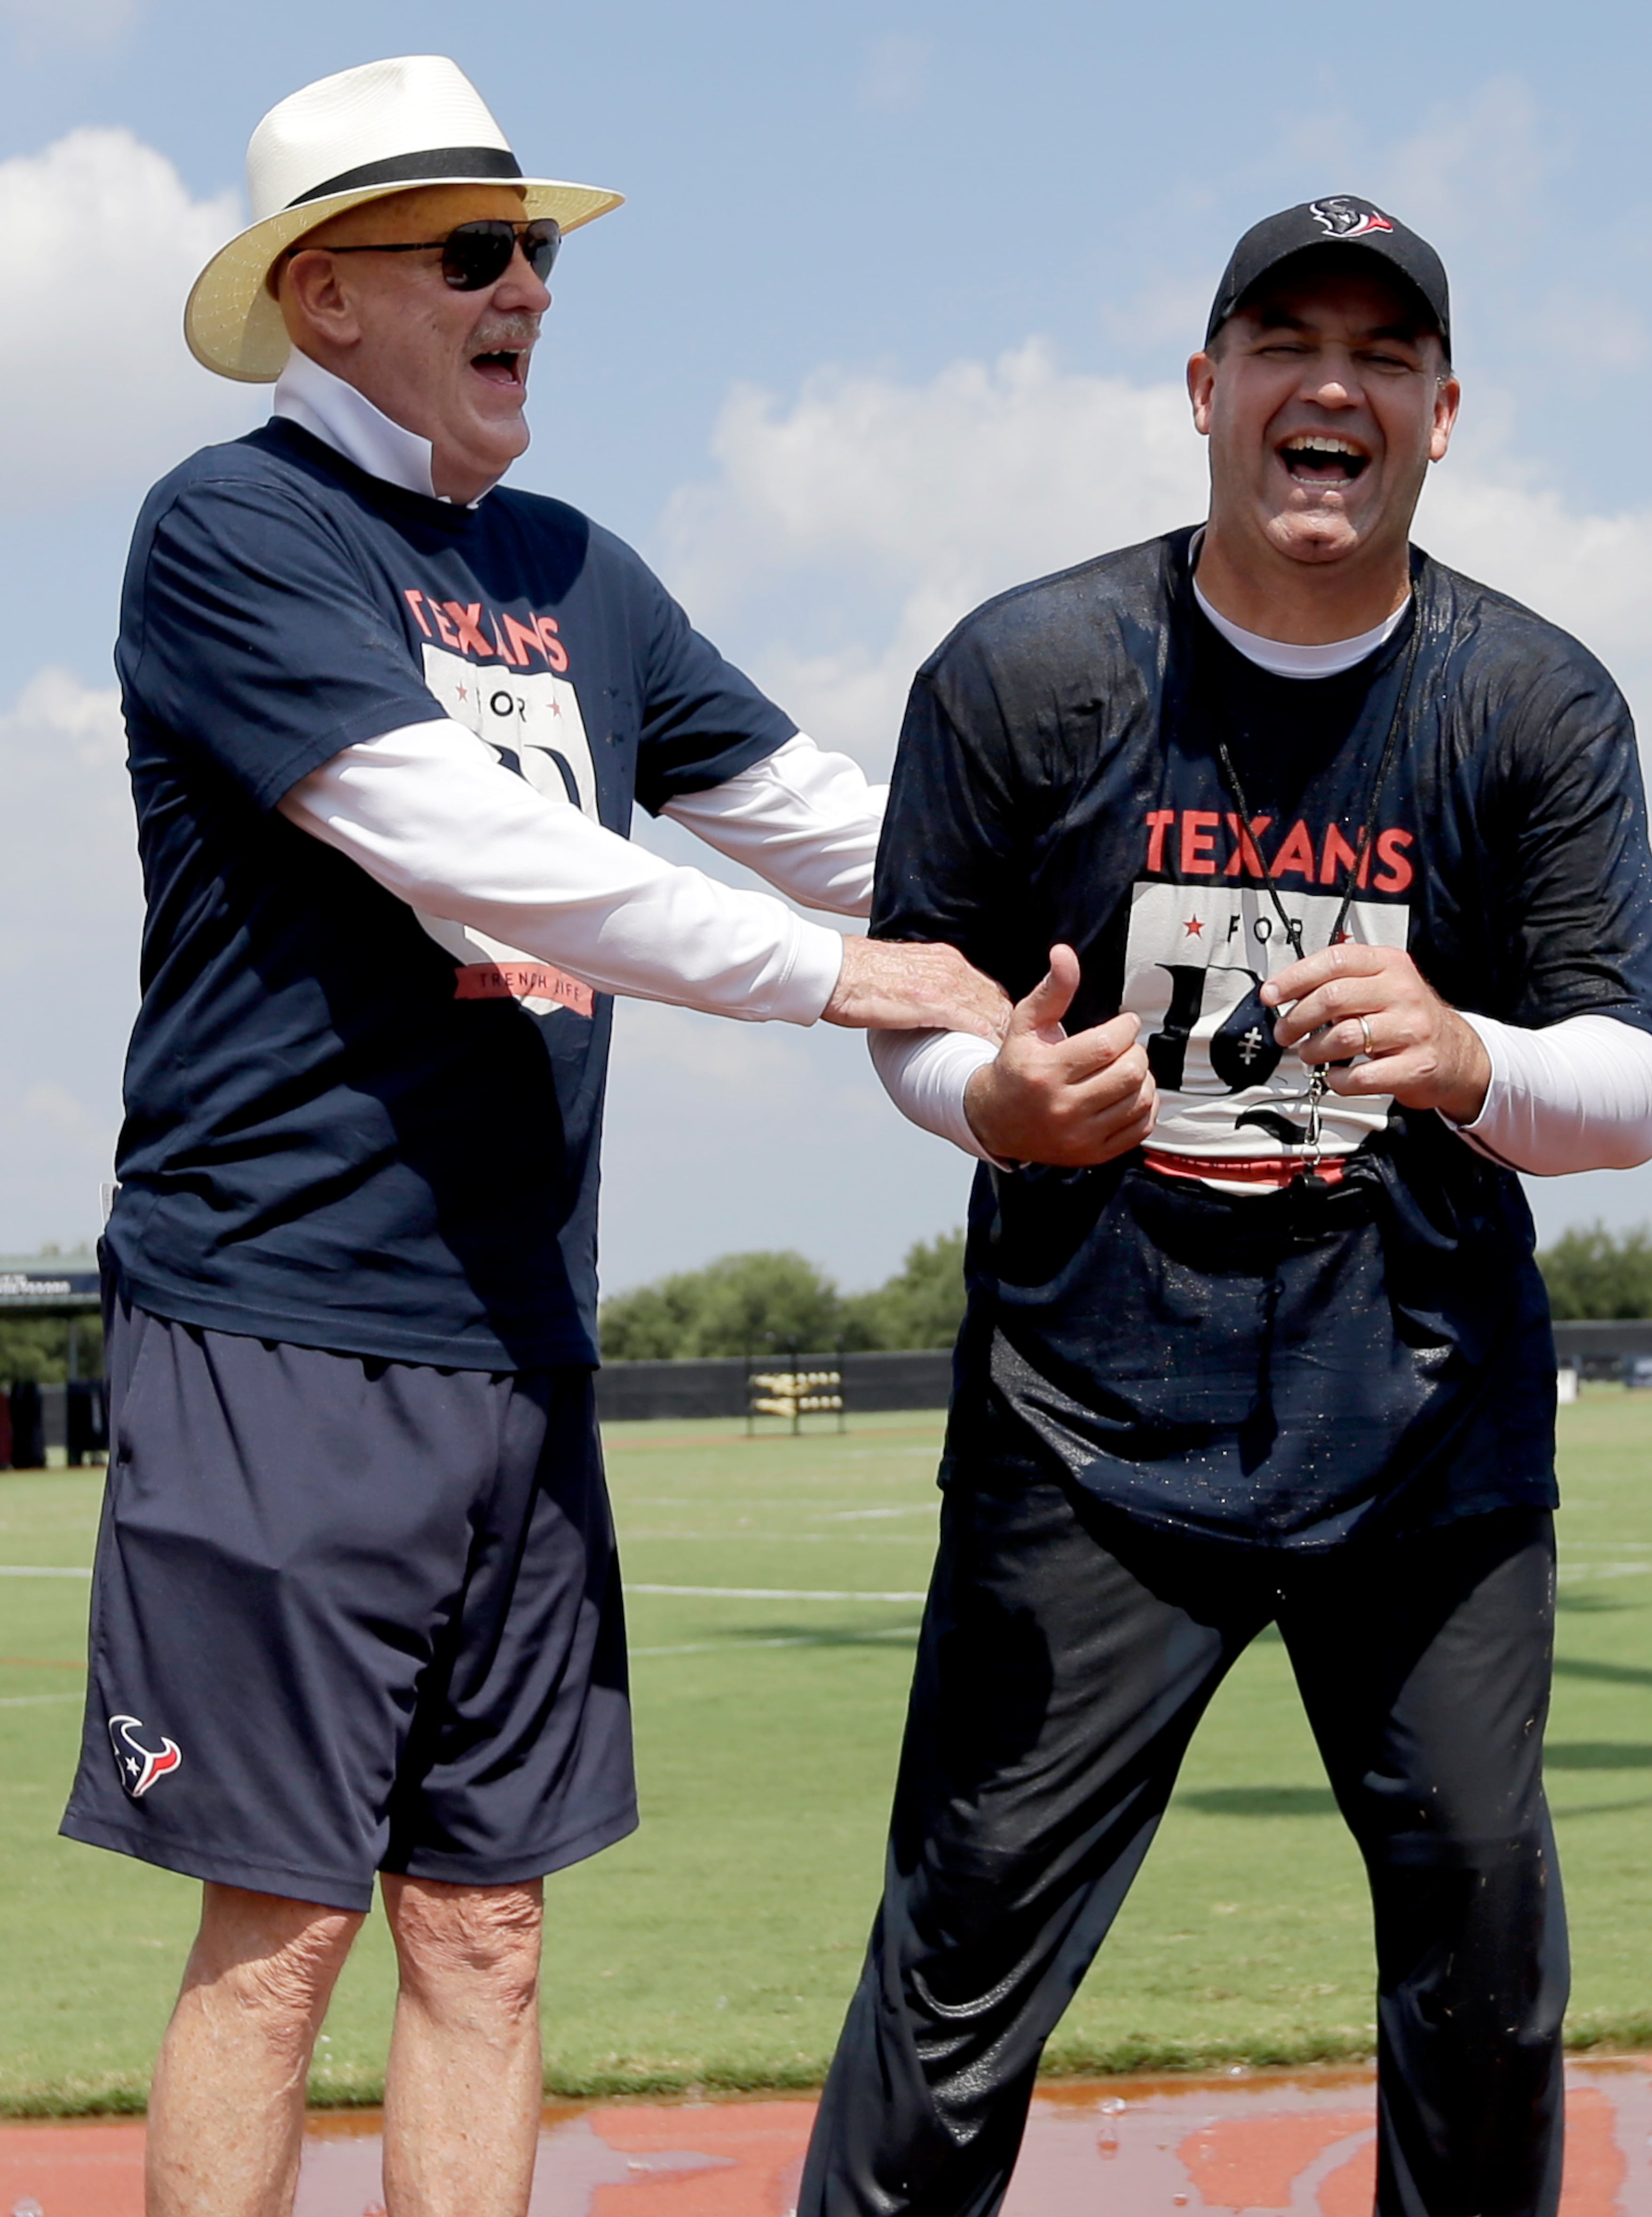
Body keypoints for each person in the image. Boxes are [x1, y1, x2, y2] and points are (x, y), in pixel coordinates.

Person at [58, 55, 1005, 2217]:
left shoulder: (586, 572)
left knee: (487, 1927)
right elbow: (476, 846)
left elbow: (851, 828)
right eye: (477, 253)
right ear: (322, 298)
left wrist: (1101, 905)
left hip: (518, 1336)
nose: (532, 292)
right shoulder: (231, 530)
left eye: (542, 252)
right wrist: (838, 980)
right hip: (280, 1328)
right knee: (281, 1935)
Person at [801, 196, 1652, 2217]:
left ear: (1441, 416)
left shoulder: (1531, 705)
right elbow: (918, 1014)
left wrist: (1470, 1057)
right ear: (1208, 392)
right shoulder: (1029, 672)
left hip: (1425, 1436)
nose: (1332, 387)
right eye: (1287, 341)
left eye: (1384, 356)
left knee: (1482, 1973)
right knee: (956, 1977)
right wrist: (1000, 1106)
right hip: (1086, 1430)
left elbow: (1633, 1084)